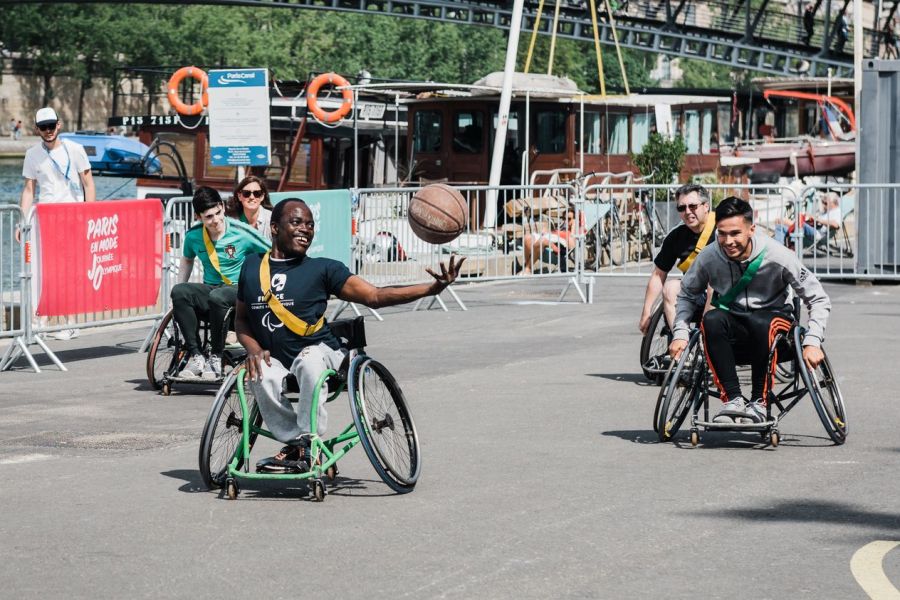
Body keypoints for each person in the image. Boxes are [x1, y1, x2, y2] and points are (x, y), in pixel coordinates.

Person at [235, 198, 465, 473]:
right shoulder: (250, 267)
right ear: (274, 228)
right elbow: (241, 319)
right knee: (259, 370)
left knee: (308, 360)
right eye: (296, 222)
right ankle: (296, 443)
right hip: (279, 362)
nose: (305, 229)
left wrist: (430, 289)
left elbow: (375, 296)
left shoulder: (323, 269)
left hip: (322, 354)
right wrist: (252, 348)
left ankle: (310, 444)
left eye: (310, 225)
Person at [669, 197, 831, 424]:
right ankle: (732, 401)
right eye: (722, 234)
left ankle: (758, 402)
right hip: (735, 326)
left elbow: (818, 298)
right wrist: (680, 334)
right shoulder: (709, 257)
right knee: (712, 319)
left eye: (735, 233)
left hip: (776, 327)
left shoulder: (779, 255)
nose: (728, 241)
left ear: (751, 229)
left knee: (761, 322)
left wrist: (813, 340)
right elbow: (686, 294)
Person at [171, 186, 270, 379]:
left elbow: (273, 252)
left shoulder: (243, 233)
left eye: (218, 213)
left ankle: (216, 357)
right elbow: (187, 260)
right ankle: (196, 355)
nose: (215, 220)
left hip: (238, 291)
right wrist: (176, 291)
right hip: (212, 289)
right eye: (208, 217)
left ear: (222, 207)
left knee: (218, 296)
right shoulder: (193, 236)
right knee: (179, 291)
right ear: (198, 217)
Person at [19, 107, 96, 341]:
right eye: (43, 127)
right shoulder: (32, 154)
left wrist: (88, 214)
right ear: (37, 129)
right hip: (44, 218)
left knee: (69, 271)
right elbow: (29, 190)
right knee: (44, 271)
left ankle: (71, 323)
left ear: (59, 125)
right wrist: (22, 221)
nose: (48, 131)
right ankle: (40, 321)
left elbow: (88, 183)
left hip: (72, 217)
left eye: (52, 126)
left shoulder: (75, 149)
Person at [638, 183, 714, 337]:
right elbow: (659, 274)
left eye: (693, 206)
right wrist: (646, 311)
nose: (687, 212)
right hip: (695, 292)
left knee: (714, 285)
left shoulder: (723, 231)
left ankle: (707, 337)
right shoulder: (676, 236)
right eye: (682, 208)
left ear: (706, 206)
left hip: (723, 292)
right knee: (671, 287)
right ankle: (681, 343)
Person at [519, 205, 577, 275]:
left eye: (569, 219)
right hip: (546, 240)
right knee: (527, 238)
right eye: (564, 218)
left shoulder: (573, 232)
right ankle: (527, 268)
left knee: (542, 241)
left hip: (554, 247)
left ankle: (527, 269)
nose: (566, 221)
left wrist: (573, 227)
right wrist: (547, 232)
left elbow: (571, 247)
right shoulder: (561, 227)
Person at [773, 192, 843, 249]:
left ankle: (793, 246)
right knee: (780, 227)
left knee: (801, 223)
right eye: (823, 202)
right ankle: (778, 249)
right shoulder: (826, 212)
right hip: (811, 229)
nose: (823, 205)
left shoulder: (837, 212)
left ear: (833, 203)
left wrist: (817, 219)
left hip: (818, 234)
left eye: (825, 203)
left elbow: (835, 225)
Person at [225, 175, 273, 240]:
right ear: (239, 196)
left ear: (262, 197)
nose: (252, 197)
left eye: (257, 193)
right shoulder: (230, 221)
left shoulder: (271, 220)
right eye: (246, 193)